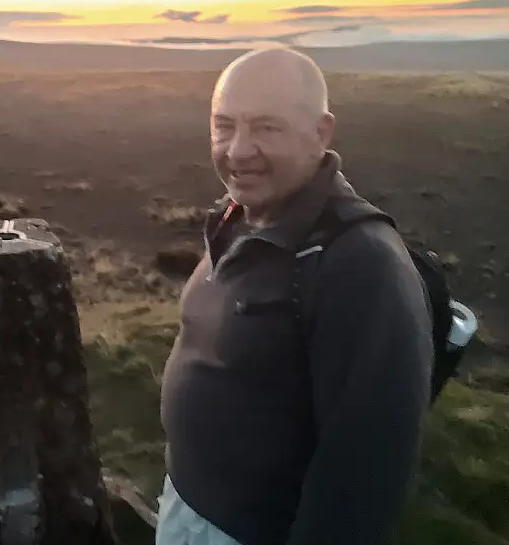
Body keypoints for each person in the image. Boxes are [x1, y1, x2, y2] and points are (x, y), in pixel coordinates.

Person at [157, 47, 434, 545]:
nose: (238, 150)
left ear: (321, 134)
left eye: (266, 127)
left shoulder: (360, 263)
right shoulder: (236, 217)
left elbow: (365, 474)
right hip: (186, 507)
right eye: (224, 126)